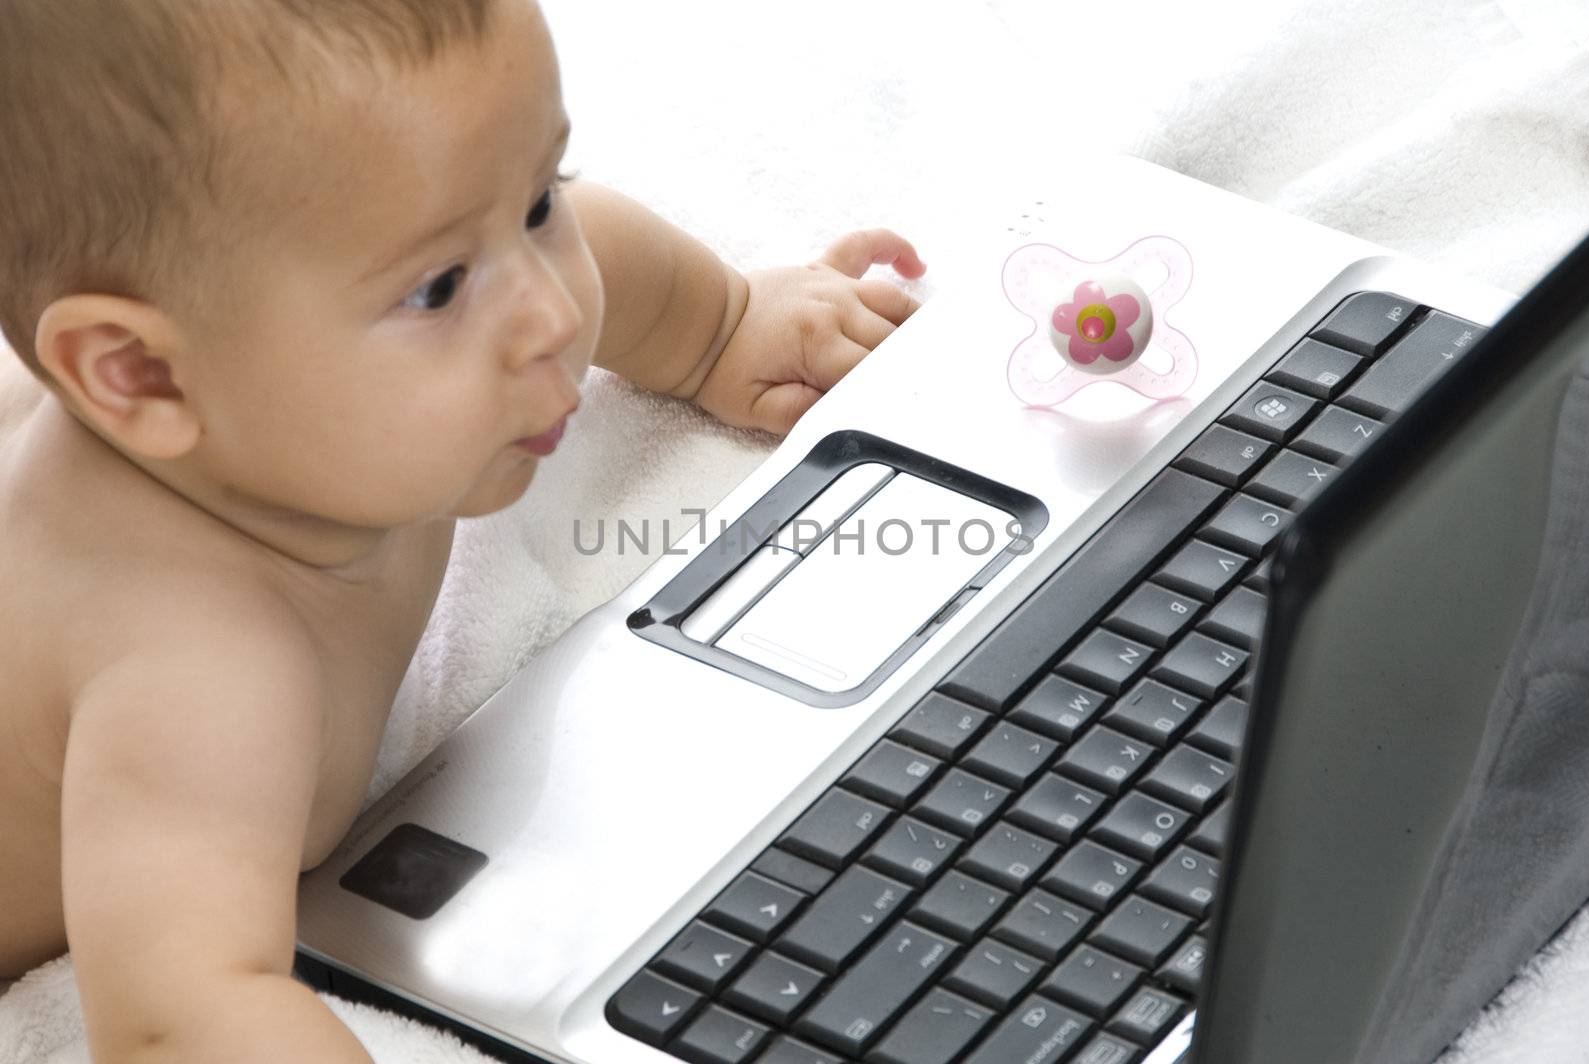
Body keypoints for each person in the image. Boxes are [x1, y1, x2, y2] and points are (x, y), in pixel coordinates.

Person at [0, 1, 924, 1059]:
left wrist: (722, 321)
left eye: (538, 202)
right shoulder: (195, 670)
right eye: (438, 285)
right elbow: (180, 1014)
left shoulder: (354, 375)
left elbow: (593, 257)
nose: (552, 315)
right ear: (142, 374)